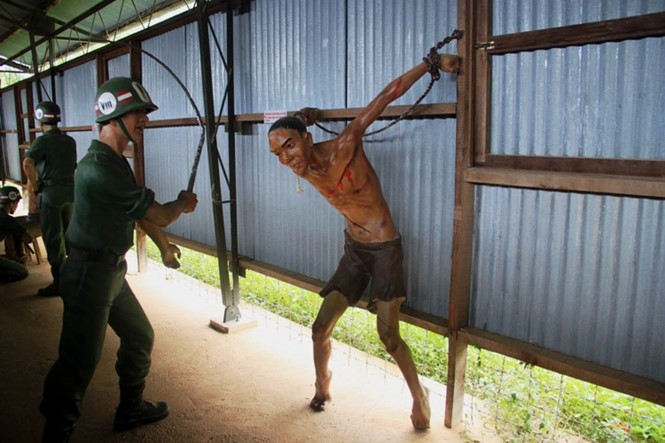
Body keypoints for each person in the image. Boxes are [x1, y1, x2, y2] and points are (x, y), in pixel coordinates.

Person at [268, 53, 461, 430]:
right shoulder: (302, 166)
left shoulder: (346, 145)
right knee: (319, 328)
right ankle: (323, 387)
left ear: (307, 139)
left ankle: (419, 397)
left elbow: (387, 94)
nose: (285, 159)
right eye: (277, 153)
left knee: (388, 336)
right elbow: (289, 131)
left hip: (385, 250)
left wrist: (433, 63)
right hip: (354, 252)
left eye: (289, 147)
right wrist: (303, 117)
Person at [40, 77, 198, 442]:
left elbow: (136, 211)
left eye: (143, 114)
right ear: (114, 117)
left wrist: (162, 247)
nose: (144, 120)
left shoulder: (114, 162)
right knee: (78, 362)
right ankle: (56, 432)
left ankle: (130, 409)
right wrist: (181, 204)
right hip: (88, 275)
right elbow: (157, 213)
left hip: (110, 270)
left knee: (140, 336)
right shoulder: (99, 167)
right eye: (138, 113)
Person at [23, 101, 77, 296]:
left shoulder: (42, 141)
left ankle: (60, 283)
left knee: (54, 238)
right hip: (71, 193)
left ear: (40, 120)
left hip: (51, 194)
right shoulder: (69, 141)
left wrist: (36, 187)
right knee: (71, 234)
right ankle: (77, 276)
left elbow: (28, 163)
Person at [0, 186, 32, 283]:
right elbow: (28, 239)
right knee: (22, 271)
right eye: (17, 203)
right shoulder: (8, 220)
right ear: (13, 203)